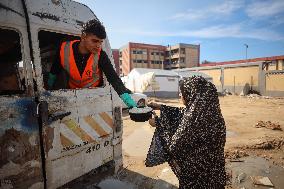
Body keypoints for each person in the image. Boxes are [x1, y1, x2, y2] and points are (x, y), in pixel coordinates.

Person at [146, 76, 226, 189]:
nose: (180, 95)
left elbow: (173, 146)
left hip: (198, 180)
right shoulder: (212, 113)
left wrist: (158, 124)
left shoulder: (193, 121)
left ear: (191, 94)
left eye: (182, 92)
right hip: (216, 176)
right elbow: (183, 112)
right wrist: (160, 107)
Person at [48, 19, 136, 108]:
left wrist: (126, 99)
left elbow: (113, 77)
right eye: (95, 41)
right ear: (83, 36)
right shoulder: (64, 49)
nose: (98, 45)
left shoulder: (101, 55)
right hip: (72, 94)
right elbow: (54, 70)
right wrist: (49, 87)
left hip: (94, 95)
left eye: (101, 42)